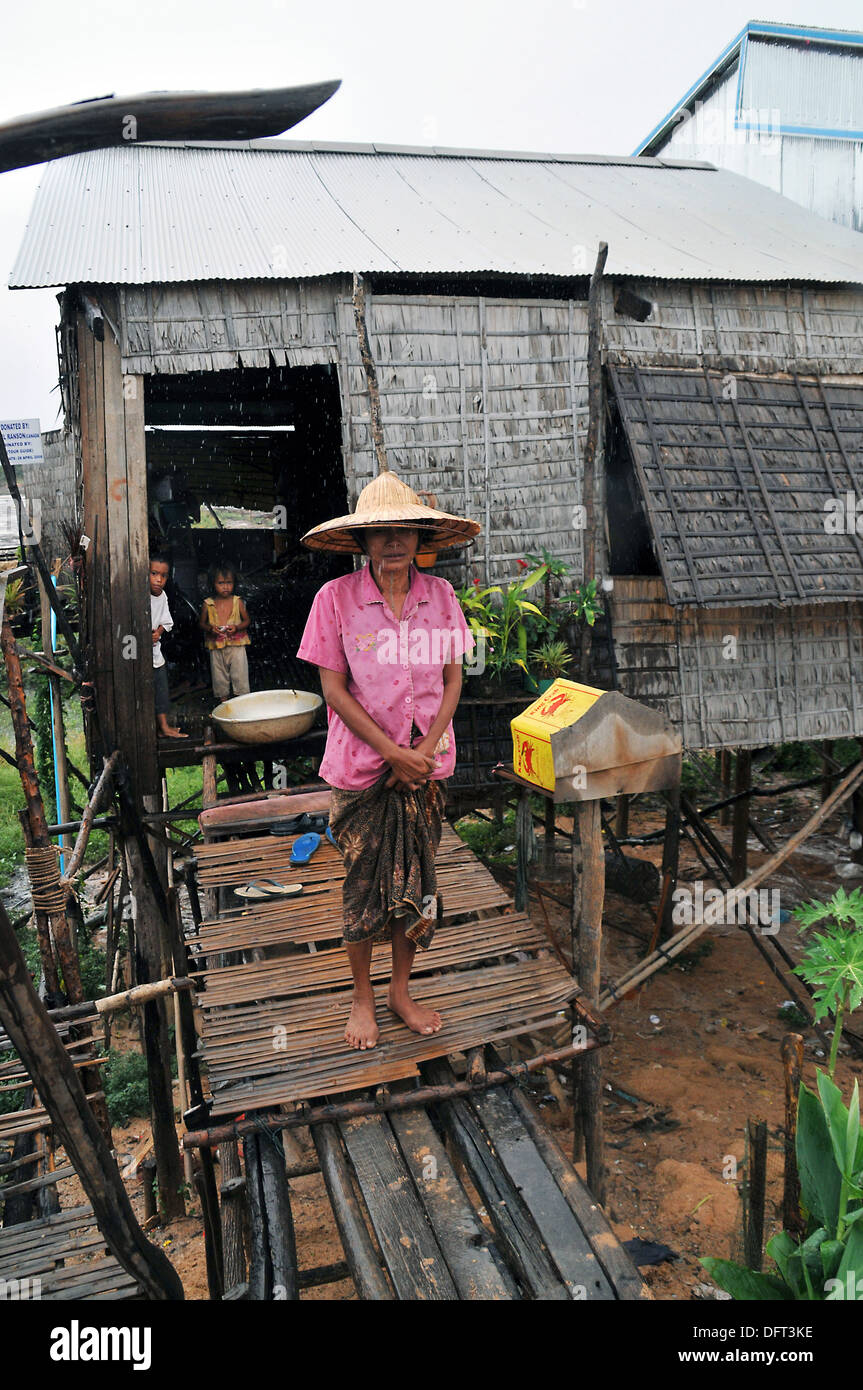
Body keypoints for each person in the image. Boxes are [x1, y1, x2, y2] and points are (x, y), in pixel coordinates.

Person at [297, 470, 480, 1051]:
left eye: (403, 531)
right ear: (362, 542)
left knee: (414, 880)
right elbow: (334, 691)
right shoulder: (336, 600)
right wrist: (391, 753)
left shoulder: (441, 598)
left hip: (425, 767)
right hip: (362, 769)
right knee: (362, 885)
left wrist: (421, 751)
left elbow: (453, 681)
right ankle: (361, 997)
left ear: (419, 537)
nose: (393, 542)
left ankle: (401, 990)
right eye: (381, 533)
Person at [199, 565, 251, 701]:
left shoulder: (237, 602)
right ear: (213, 584)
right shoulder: (208, 604)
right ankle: (225, 705)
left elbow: (247, 621)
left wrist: (237, 627)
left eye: (229, 583)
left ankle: (241, 704)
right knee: (219, 677)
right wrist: (210, 629)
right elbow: (201, 624)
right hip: (216, 647)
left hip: (237, 646)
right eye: (221, 583)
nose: (225, 587)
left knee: (240, 675)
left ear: (234, 583)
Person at [149, 554, 186, 739]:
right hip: (136, 654)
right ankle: (151, 728)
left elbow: (166, 620)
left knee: (162, 690)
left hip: (155, 653)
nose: (158, 579)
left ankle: (164, 726)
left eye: (163, 575)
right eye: (154, 573)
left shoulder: (162, 596)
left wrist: (158, 633)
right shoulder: (139, 595)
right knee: (144, 692)